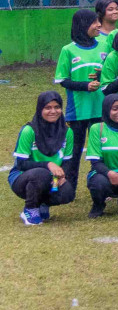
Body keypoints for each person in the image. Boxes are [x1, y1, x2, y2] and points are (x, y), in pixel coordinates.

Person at [56, 8, 108, 186]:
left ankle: (100, 183)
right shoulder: (68, 50)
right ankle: (69, 185)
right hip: (78, 109)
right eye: (94, 22)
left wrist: (101, 77)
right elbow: (63, 80)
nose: (99, 25)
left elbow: (111, 73)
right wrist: (85, 86)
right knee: (75, 148)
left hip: (101, 107)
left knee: (101, 148)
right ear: (82, 25)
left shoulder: (105, 46)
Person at [12, 92, 77, 224]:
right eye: (47, 107)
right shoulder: (28, 131)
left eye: (57, 107)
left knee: (68, 193)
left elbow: (67, 162)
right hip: (22, 177)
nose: (53, 111)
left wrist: (62, 177)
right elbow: (21, 164)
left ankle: (42, 204)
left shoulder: (67, 132)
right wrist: (48, 164)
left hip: (51, 178)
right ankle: (30, 209)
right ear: (40, 108)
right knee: (41, 174)